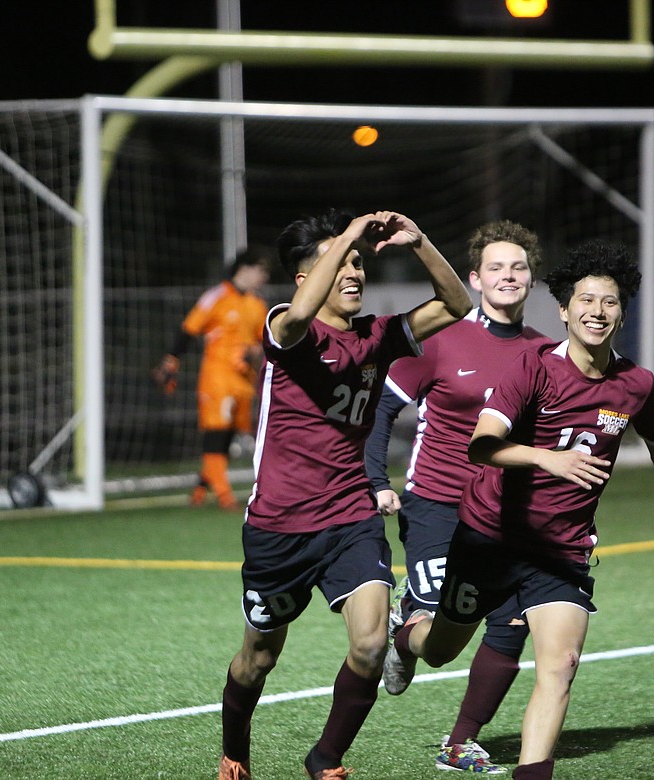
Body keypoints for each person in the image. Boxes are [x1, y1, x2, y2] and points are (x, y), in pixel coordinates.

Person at [382, 240, 654, 780]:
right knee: (441, 648)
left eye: (609, 303)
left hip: (561, 551)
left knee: (559, 666)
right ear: (563, 310)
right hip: (489, 536)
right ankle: (405, 632)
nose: (596, 312)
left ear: (622, 313)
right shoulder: (531, 367)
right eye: (585, 300)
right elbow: (482, 445)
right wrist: (549, 460)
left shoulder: (636, 384)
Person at [218, 209, 471, 780]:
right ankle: (235, 750)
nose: (355, 271)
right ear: (307, 278)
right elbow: (301, 311)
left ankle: (325, 759)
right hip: (279, 527)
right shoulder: (287, 325)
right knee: (259, 657)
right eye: (343, 263)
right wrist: (350, 234)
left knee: (371, 643)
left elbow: (456, 305)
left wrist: (420, 241)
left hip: (351, 517)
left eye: (360, 262)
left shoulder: (378, 335)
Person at [363, 219, 550, 774]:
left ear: (530, 279)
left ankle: (460, 741)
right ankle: (405, 634)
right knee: (441, 645)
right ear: (476, 277)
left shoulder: (545, 353)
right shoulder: (441, 338)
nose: (508, 275)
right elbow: (380, 409)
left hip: (506, 515)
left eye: (518, 267)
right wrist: (377, 482)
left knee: (514, 620)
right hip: (437, 507)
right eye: (496, 267)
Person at [154, 246, 272, 510]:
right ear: (245, 269)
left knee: (227, 437)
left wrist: (254, 350)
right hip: (217, 378)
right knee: (216, 435)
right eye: (261, 271)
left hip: (243, 381)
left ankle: (199, 490)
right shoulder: (216, 296)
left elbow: (262, 342)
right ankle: (224, 496)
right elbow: (188, 329)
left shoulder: (257, 304)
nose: (264, 277)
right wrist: (171, 359)